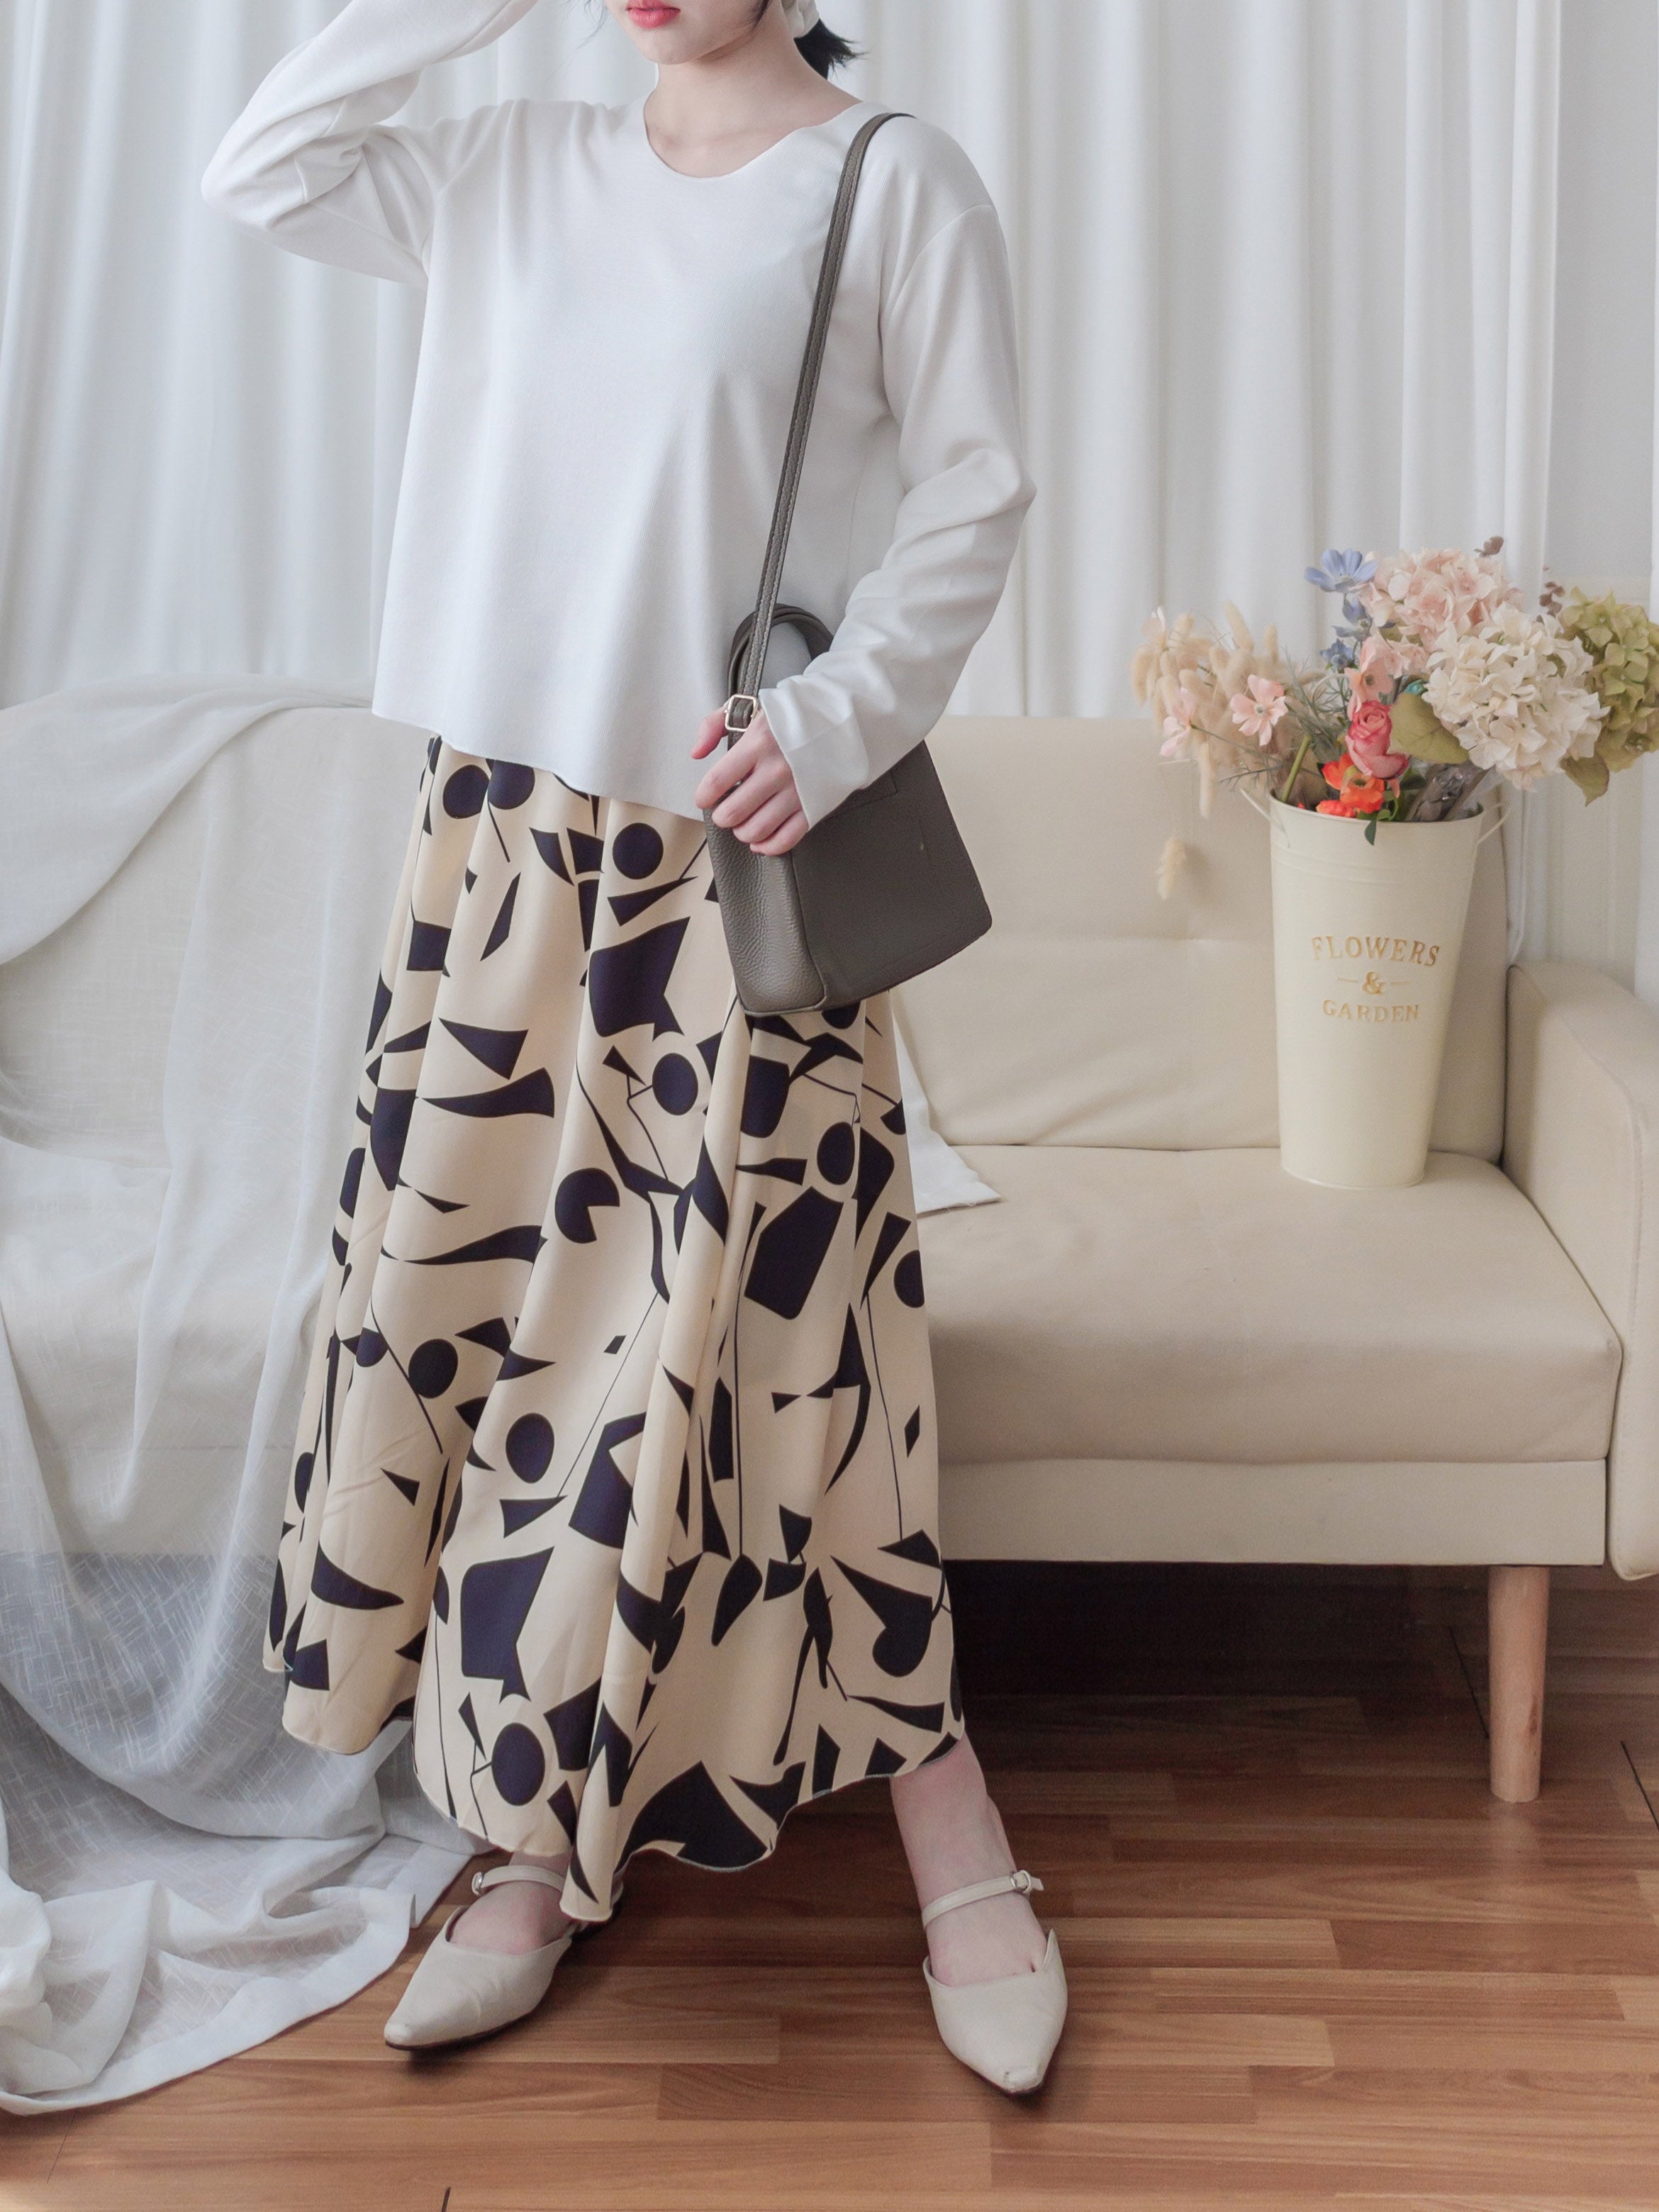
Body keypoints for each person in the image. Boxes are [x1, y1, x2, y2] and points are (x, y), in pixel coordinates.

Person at [201, 0, 1061, 2095]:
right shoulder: (510, 164)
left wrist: (832, 723)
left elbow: (975, 495)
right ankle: (529, 1843)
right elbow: (262, 166)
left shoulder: (888, 184)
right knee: (503, 1354)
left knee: (790, 1360)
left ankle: (949, 1824)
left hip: (734, 869)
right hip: (501, 860)